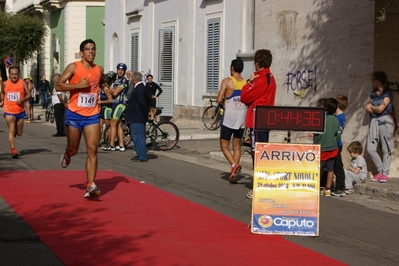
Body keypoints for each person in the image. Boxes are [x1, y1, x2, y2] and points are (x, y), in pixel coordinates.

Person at [55, 39, 104, 199]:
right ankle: (68, 154)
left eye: (93, 49)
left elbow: (100, 83)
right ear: (81, 53)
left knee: (92, 149)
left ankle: (90, 185)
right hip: (75, 115)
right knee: (74, 149)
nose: (91, 51)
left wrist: (108, 90)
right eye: (88, 49)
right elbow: (58, 86)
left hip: (92, 115)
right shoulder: (73, 67)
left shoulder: (99, 69)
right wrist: (77, 86)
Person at [240, 49, 277, 198]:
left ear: (257, 63)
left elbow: (244, 96)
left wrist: (249, 81)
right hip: (264, 119)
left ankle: (259, 187)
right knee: (261, 154)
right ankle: (262, 184)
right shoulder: (270, 77)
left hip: (257, 120)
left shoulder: (261, 79)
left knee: (258, 155)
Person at [216, 58, 247, 183]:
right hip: (242, 118)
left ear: (232, 68)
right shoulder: (246, 83)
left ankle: (234, 165)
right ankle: (234, 173)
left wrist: (224, 101)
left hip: (229, 118)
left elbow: (219, 99)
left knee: (224, 146)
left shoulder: (227, 82)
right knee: (237, 146)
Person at [366, 71, 395, 183]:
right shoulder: (373, 93)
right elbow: (367, 108)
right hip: (374, 121)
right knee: (371, 148)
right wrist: (375, 107)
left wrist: (373, 107)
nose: (372, 82)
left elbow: (380, 109)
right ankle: (380, 170)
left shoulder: (387, 93)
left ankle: (384, 173)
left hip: (385, 121)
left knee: (385, 148)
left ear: (378, 80)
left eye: (373, 79)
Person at [0, 66, 31, 158]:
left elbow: (29, 95)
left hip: (20, 111)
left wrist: (23, 99)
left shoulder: (22, 83)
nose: (14, 76)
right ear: (9, 74)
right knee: (11, 129)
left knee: (19, 133)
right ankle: (13, 150)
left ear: (19, 74)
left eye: (16, 74)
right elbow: (2, 92)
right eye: (12, 74)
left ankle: (14, 135)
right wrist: (2, 100)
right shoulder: (5, 83)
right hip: (9, 110)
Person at [313, 98, 342, 197]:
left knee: (319, 168)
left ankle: (317, 186)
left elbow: (317, 135)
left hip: (322, 148)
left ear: (325, 107)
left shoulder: (321, 119)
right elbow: (338, 134)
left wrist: (315, 144)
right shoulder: (336, 120)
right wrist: (334, 140)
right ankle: (327, 189)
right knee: (330, 168)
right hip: (333, 148)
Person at [103, 63, 129, 152]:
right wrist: (112, 90)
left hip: (120, 104)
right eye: (119, 70)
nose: (120, 71)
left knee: (113, 123)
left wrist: (112, 90)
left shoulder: (124, 81)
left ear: (124, 71)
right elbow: (108, 90)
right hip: (114, 104)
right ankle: (121, 145)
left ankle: (112, 145)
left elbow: (114, 93)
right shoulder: (115, 81)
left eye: (122, 70)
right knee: (118, 125)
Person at [126, 71, 149, 162]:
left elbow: (142, 103)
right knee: (136, 136)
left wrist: (145, 114)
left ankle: (142, 156)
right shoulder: (139, 87)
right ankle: (139, 154)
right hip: (136, 116)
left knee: (139, 137)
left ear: (134, 79)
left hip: (138, 117)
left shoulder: (139, 88)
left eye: (131, 78)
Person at [331, 95, 348, 197]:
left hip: (337, 144)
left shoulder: (339, 118)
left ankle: (340, 187)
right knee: (333, 165)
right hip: (335, 144)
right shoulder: (338, 116)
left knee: (338, 166)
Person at [99, 71, 115, 147]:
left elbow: (110, 100)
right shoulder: (101, 89)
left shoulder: (106, 89)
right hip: (101, 109)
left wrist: (100, 102)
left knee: (108, 126)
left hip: (107, 109)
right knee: (100, 126)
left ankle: (108, 142)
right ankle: (99, 141)